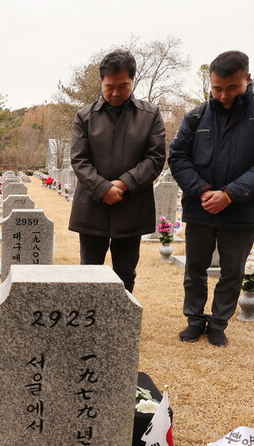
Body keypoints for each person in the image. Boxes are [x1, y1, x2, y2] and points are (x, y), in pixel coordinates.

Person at [168, 50, 254, 347]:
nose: (223, 95)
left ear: (247, 79)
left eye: (232, 87)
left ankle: (219, 322)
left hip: (241, 210)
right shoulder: (197, 116)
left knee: (232, 271)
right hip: (201, 207)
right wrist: (202, 190)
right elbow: (178, 156)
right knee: (194, 268)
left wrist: (231, 194)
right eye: (217, 88)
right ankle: (195, 319)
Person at [68, 49, 166, 294]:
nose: (114, 93)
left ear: (133, 80)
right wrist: (103, 189)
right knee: (89, 271)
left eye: (122, 86)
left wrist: (122, 184)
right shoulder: (85, 116)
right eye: (108, 86)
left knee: (125, 272)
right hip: (93, 205)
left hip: (131, 204)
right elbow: (79, 160)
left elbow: (155, 158)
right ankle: (90, 324)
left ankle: (121, 324)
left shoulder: (150, 115)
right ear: (101, 82)